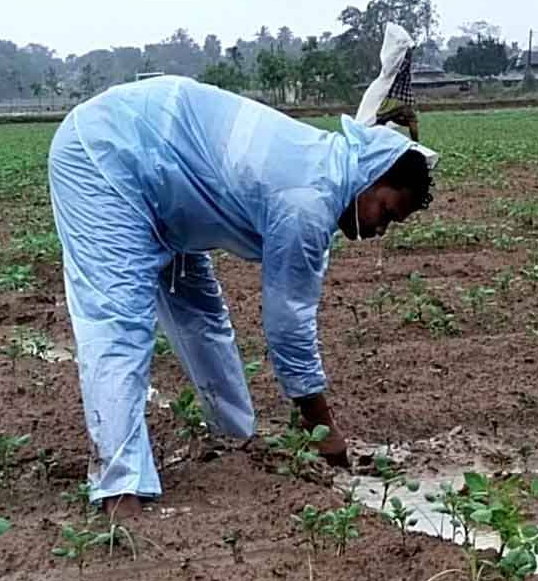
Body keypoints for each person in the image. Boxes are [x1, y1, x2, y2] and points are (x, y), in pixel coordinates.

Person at [48, 75, 435, 518]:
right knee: (118, 322)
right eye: (384, 211)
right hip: (109, 152)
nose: (378, 229)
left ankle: (235, 439)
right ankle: (119, 493)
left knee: (202, 315)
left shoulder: (331, 169)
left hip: (166, 179)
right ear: (370, 177)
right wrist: (321, 425)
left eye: (392, 223)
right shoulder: (308, 201)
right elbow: (289, 321)